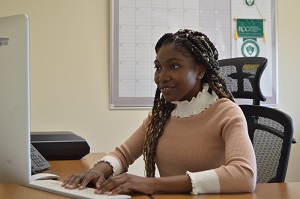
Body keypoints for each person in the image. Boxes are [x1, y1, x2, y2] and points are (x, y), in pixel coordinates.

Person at [62, 29, 257, 195]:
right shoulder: (161, 115)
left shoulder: (226, 113)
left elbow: (244, 175)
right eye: (158, 67)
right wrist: (97, 171)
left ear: (199, 70)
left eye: (174, 66)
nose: (162, 77)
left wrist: (152, 184)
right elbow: (123, 154)